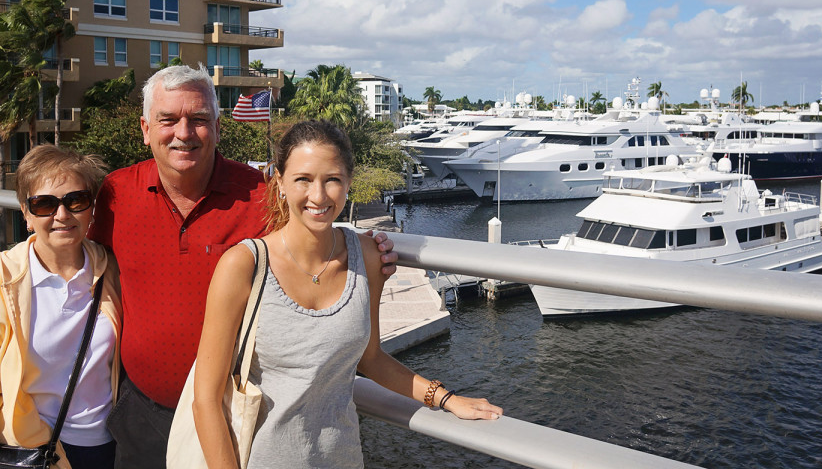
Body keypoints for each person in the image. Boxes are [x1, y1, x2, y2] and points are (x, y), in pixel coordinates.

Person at [88, 65, 399, 469]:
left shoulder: (260, 196)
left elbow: (312, 227)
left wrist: (368, 251)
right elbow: (78, 262)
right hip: (143, 411)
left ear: (217, 126)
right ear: (146, 128)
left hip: (238, 414)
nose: (184, 132)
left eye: (199, 119)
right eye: (168, 119)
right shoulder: (115, 194)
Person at [193, 120, 502, 468]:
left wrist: (446, 399)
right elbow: (205, 398)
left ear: (349, 182)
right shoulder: (243, 265)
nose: (319, 196)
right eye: (303, 179)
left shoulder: (367, 256)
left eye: (332, 180)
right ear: (279, 182)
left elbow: (371, 359)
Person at [0, 145, 121, 469]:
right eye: (44, 204)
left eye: (76, 201)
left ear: (92, 209)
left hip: (107, 448)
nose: (62, 215)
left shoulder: (112, 270)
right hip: (33, 449)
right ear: (26, 214)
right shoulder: (4, 280)